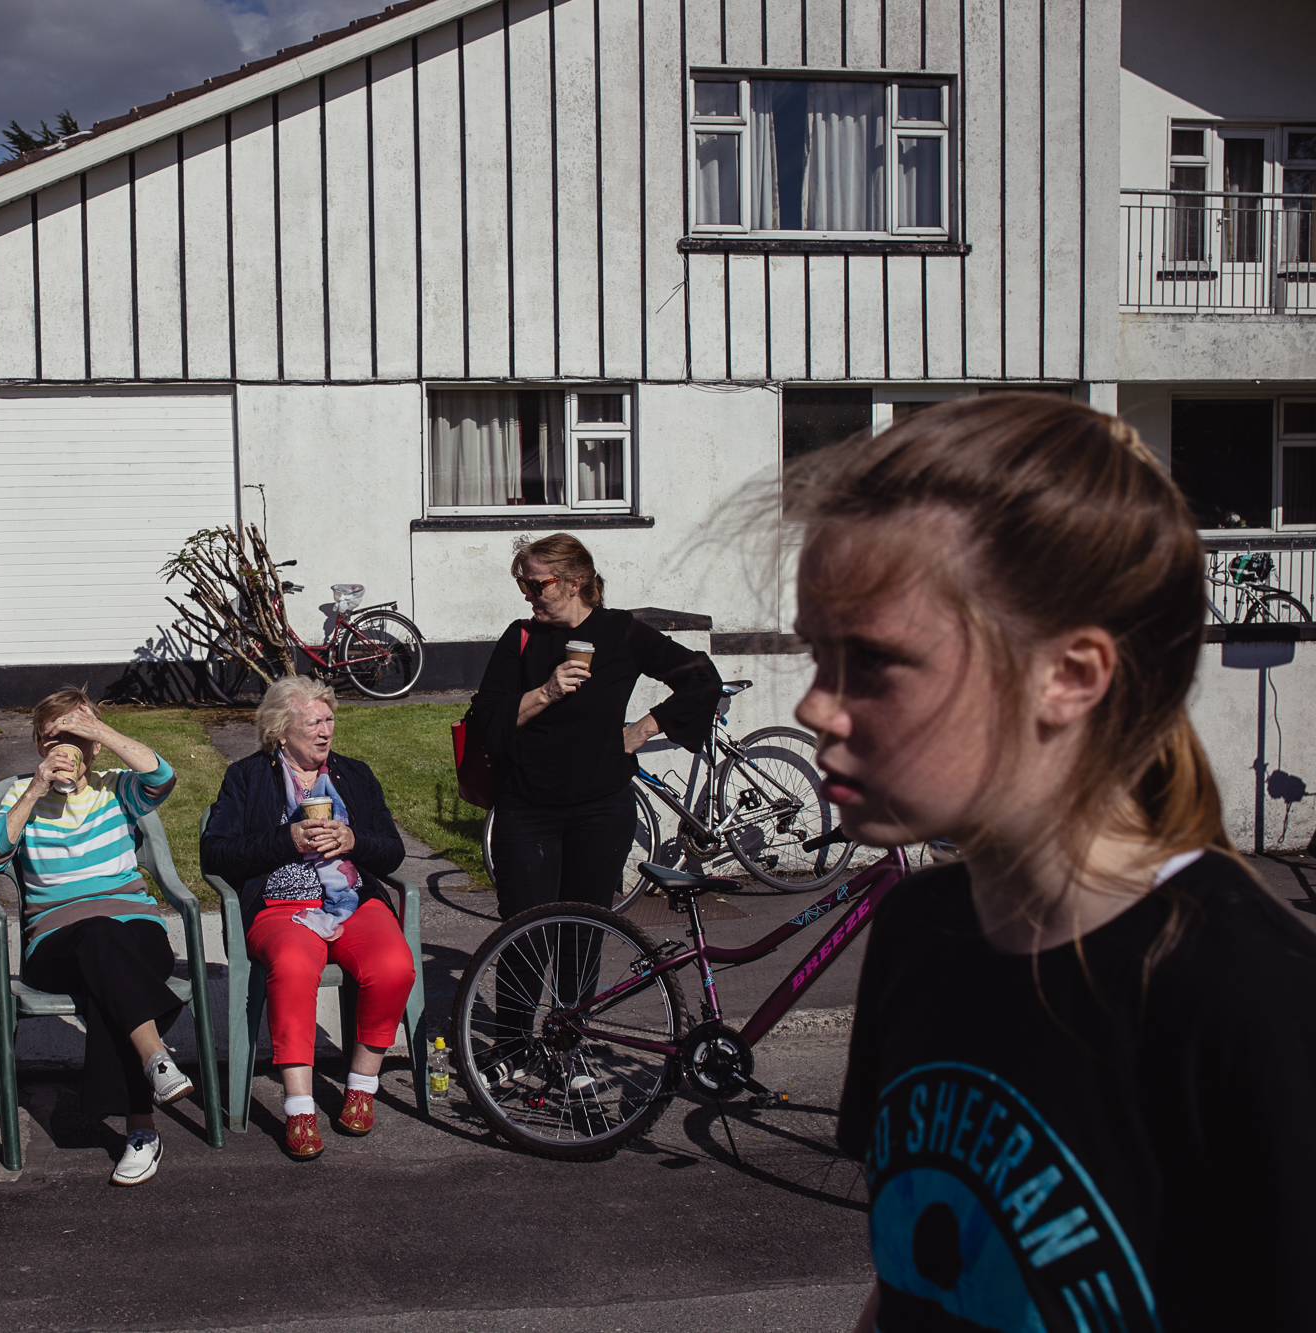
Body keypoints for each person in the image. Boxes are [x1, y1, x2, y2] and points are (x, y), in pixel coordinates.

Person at [784, 395, 1316, 1331]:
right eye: (815, 655)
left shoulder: (1253, 1001)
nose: (813, 707)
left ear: (1070, 676)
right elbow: (913, 1279)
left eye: (869, 663)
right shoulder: (918, 930)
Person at [0, 688, 193, 1187]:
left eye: (76, 737)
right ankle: (152, 1076)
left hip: (137, 931)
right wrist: (32, 791)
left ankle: (144, 1125)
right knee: (98, 939)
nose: (66, 748)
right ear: (39, 745)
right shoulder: (17, 798)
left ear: (92, 746)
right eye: (55, 738)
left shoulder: (116, 789)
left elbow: (163, 777)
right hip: (54, 940)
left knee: (108, 971)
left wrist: (101, 731)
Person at [200, 676, 417, 1161]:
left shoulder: (354, 775)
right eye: (312, 722)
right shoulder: (247, 777)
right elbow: (214, 853)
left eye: (329, 719)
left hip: (351, 901)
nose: (325, 731)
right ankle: (300, 1108)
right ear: (280, 731)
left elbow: (393, 851)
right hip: (281, 906)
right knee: (295, 968)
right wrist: (287, 840)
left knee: (394, 966)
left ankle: (362, 1085)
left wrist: (354, 842)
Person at [466, 533, 723, 920]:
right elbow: (486, 720)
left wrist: (642, 730)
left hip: (601, 810)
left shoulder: (621, 632)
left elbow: (701, 677)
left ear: (575, 583)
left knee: (583, 937)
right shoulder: (521, 637)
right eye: (524, 584)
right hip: (527, 809)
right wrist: (546, 693)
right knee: (523, 938)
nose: (528, 595)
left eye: (537, 585)